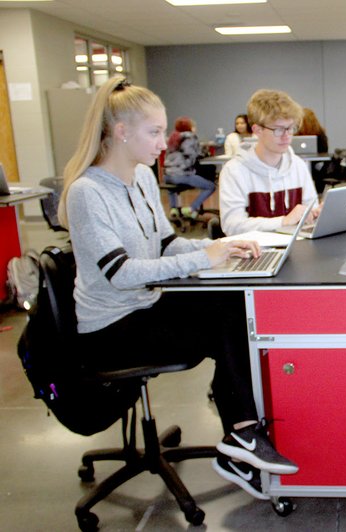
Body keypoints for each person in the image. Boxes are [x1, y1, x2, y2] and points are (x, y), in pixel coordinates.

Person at [58, 75, 299, 500]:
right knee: (223, 322)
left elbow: (166, 243)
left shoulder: (143, 179)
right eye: (154, 132)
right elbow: (122, 273)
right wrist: (203, 259)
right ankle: (242, 435)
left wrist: (220, 246)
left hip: (144, 307)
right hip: (111, 329)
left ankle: (239, 436)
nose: (163, 142)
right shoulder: (88, 193)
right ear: (120, 132)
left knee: (232, 305)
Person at [219, 89, 320, 236]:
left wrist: (316, 214)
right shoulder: (234, 170)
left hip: (296, 247)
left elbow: (311, 207)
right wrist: (283, 221)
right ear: (257, 130)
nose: (287, 137)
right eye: (278, 130)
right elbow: (232, 225)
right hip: (256, 253)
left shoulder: (298, 165)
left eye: (290, 128)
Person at [163, 116, 216, 220]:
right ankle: (192, 208)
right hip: (182, 175)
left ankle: (174, 210)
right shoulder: (190, 137)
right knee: (210, 186)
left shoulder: (173, 137)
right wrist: (205, 153)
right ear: (189, 127)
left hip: (167, 175)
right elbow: (194, 155)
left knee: (171, 188)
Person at [297, 107, 330, 192]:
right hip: (308, 163)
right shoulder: (297, 134)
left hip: (317, 164)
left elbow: (323, 152)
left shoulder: (320, 134)